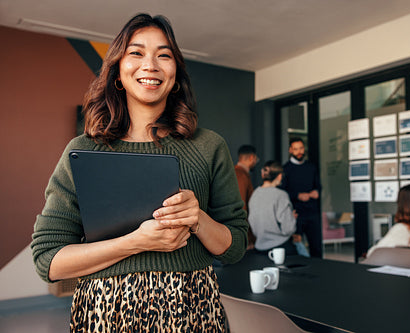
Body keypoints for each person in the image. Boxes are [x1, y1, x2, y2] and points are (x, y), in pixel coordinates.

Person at [30, 14, 248, 332]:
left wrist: (197, 218)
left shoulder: (208, 146)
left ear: (176, 74)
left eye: (164, 54)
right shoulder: (84, 150)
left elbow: (236, 246)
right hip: (106, 313)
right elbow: (47, 261)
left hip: (190, 309)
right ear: (118, 71)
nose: (151, 65)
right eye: (136, 53)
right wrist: (134, 242)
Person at [280, 137, 323, 258]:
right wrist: (297, 195)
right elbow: (282, 193)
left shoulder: (311, 167)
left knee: (316, 248)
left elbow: (318, 186)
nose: (299, 152)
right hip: (296, 214)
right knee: (297, 248)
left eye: (301, 148)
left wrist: (317, 192)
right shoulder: (286, 169)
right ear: (290, 150)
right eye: (295, 149)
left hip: (313, 213)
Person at [248, 161, 298, 256]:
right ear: (279, 176)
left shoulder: (255, 194)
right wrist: (292, 218)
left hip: (259, 249)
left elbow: (253, 223)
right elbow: (288, 228)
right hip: (281, 249)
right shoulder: (281, 195)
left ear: (263, 175)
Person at [234, 145, 258, 248]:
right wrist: (247, 238)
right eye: (256, 159)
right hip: (240, 236)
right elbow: (242, 208)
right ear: (252, 157)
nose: (256, 162)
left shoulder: (233, 172)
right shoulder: (241, 175)